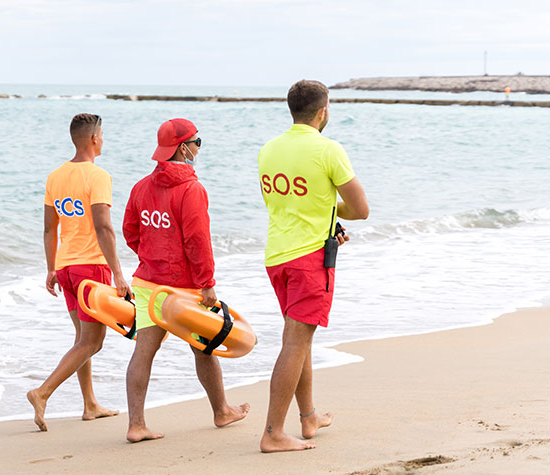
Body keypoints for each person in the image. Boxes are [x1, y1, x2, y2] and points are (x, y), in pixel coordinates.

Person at [257, 80, 369, 452]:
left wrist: (324, 215)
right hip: (308, 261)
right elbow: (360, 209)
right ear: (323, 112)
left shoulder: (268, 150)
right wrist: (332, 212)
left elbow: (281, 203)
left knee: (297, 337)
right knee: (295, 341)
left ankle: (308, 418)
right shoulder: (329, 149)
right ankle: (273, 432)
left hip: (277, 256)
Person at [122, 118, 250, 443]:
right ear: (183, 148)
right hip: (183, 288)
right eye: (197, 142)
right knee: (204, 348)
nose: (198, 148)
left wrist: (151, 257)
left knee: (144, 350)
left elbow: (130, 232)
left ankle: (136, 424)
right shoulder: (192, 189)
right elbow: (198, 241)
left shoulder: (140, 188)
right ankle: (221, 410)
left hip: (148, 285)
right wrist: (207, 284)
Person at [27, 113, 131, 432]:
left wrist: (51, 268)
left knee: (81, 338)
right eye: (103, 134)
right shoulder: (97, 176)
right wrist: (118, 274)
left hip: (67, 267)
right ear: (94, 139)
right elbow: (103, 226)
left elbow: (48, 229)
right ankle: (42, 393)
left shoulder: (55, 176)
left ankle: (90, 405)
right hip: (91, 267)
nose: (104, 140)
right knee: (92, 342)